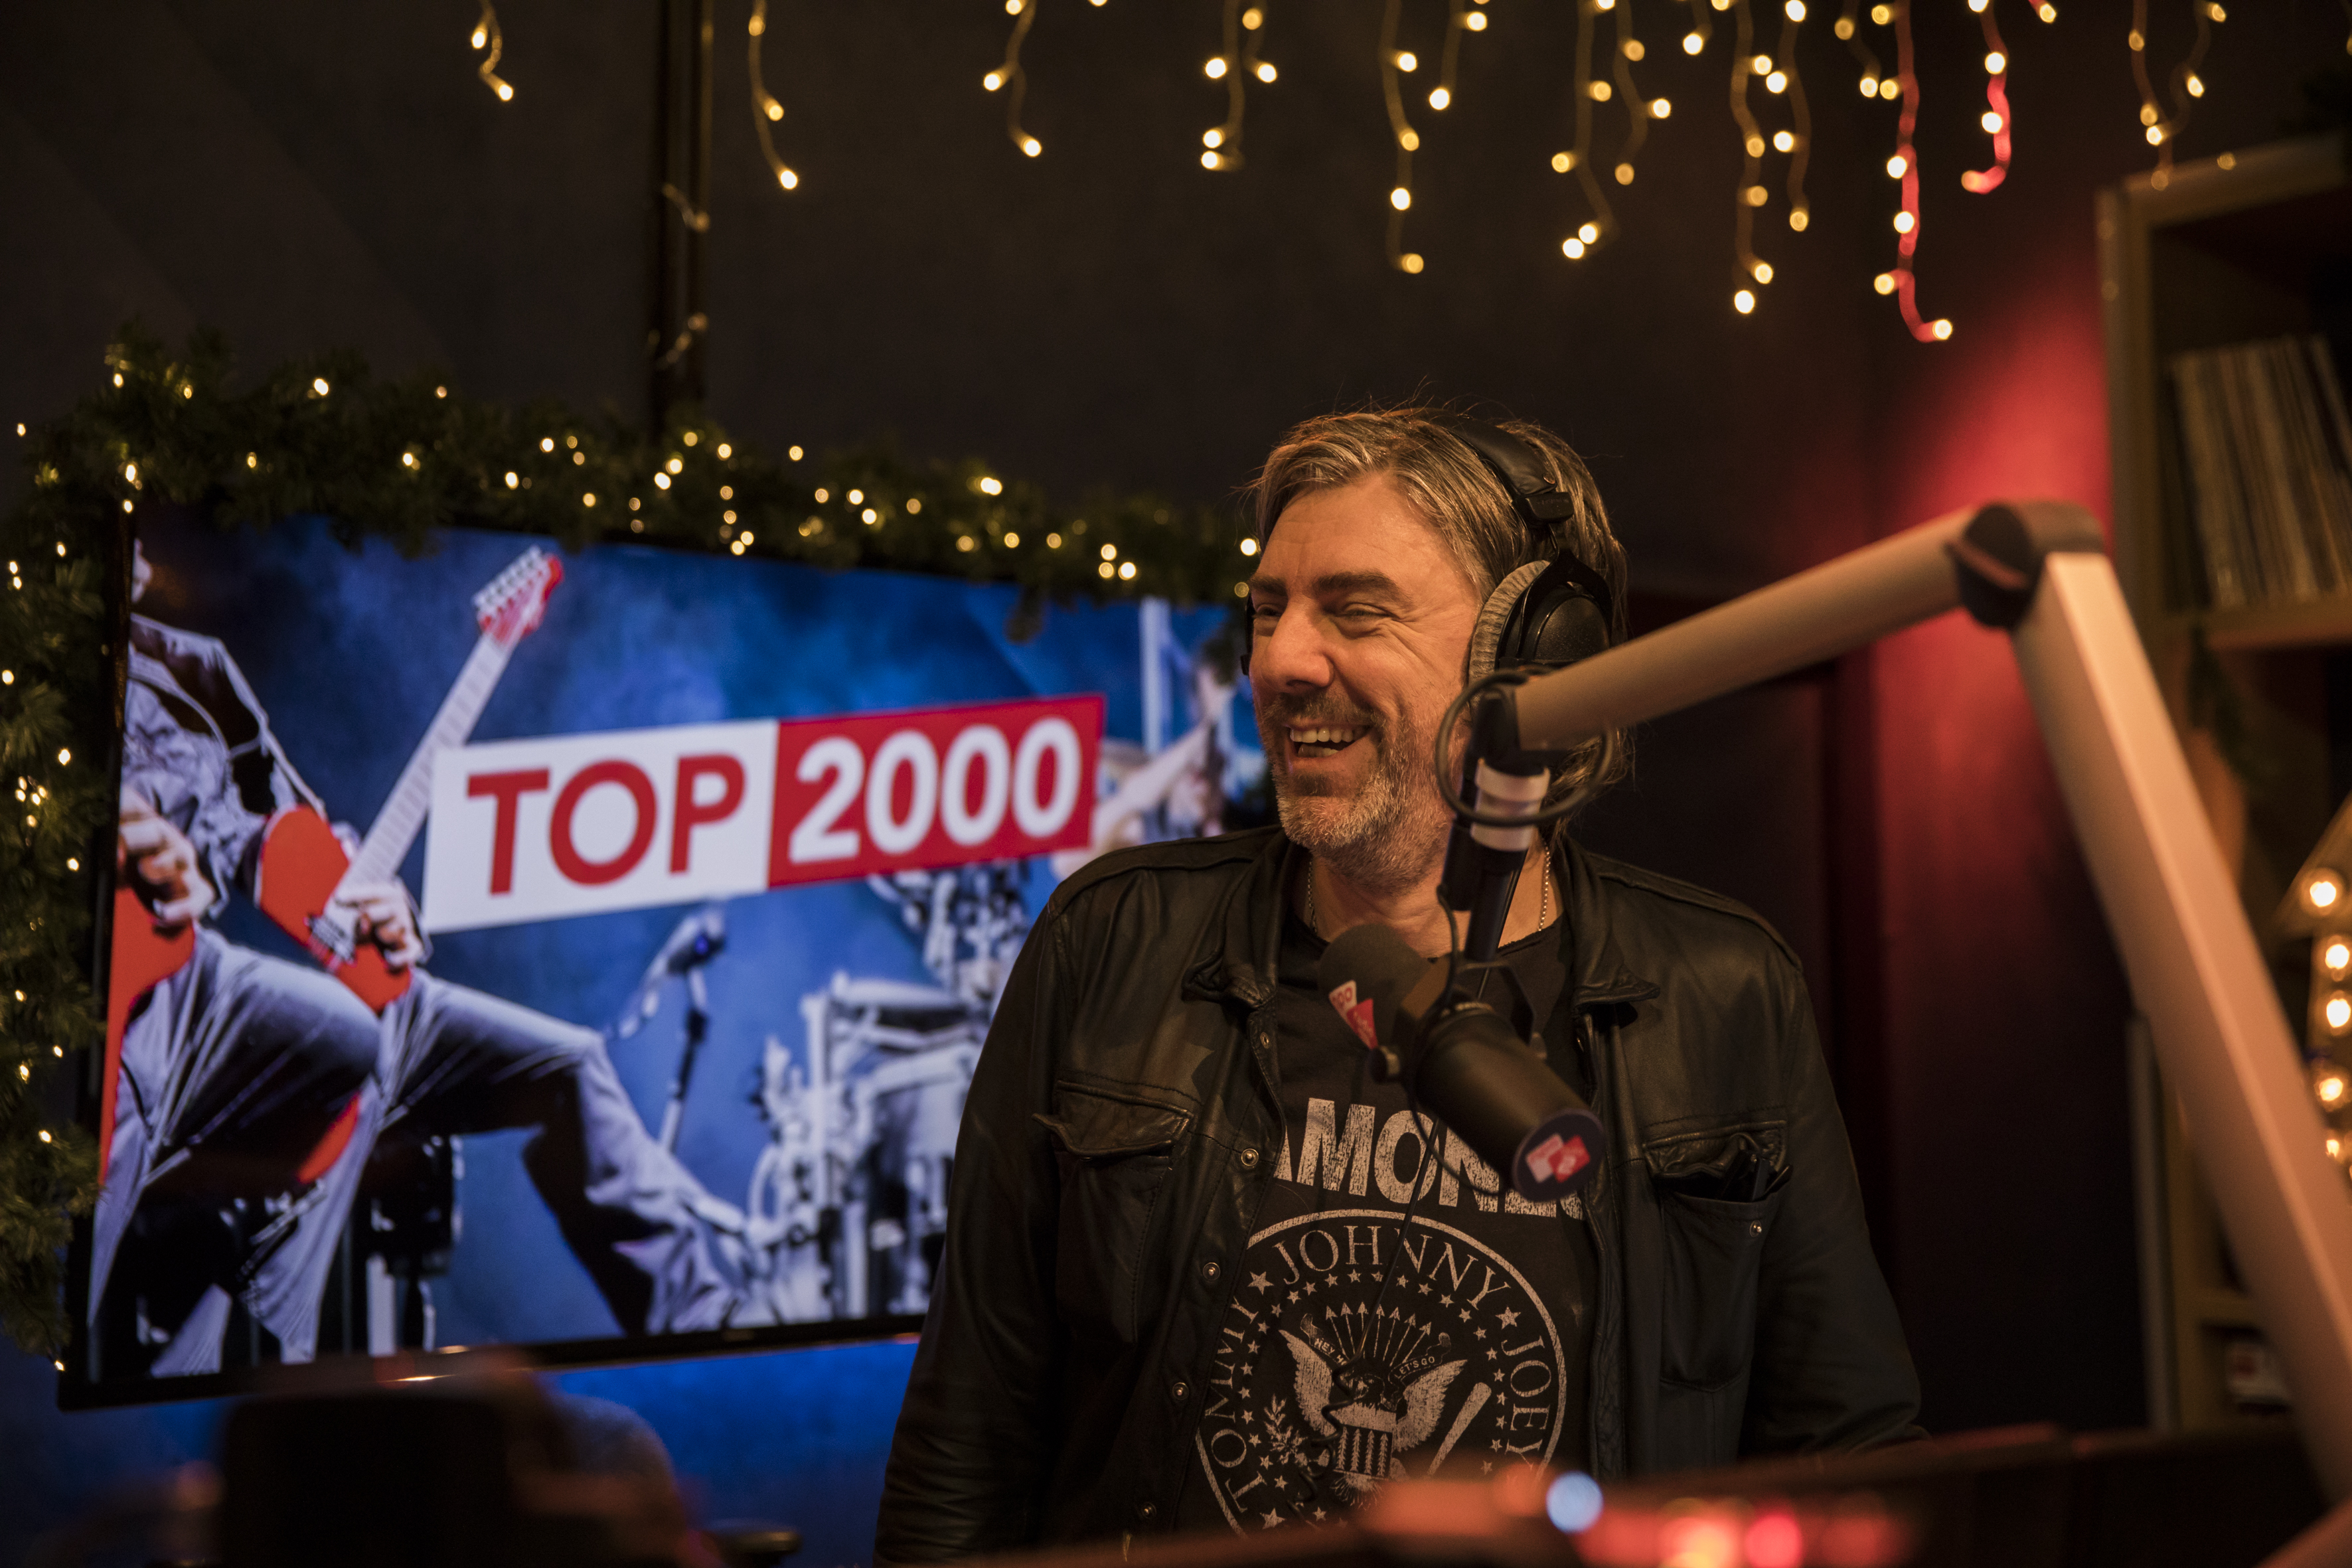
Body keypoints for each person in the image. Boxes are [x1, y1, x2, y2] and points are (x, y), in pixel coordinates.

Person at [875, 409, 1919, 1556]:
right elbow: (964, 1445)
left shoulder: (1722, 990)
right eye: (1267, 608)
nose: (1278, 660)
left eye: (1354, 610)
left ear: (1531, 660)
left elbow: (1845, 1448)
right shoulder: (1112, 942)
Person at [93, 542, 738, 1377]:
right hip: (170, 981)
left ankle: (710, 1333)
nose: (142, 549)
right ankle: (231, 1379)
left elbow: (287, 829)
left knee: (570, 1065)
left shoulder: (194, 665)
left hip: (319, 972)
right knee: (344, 1048)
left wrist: (373, 898)